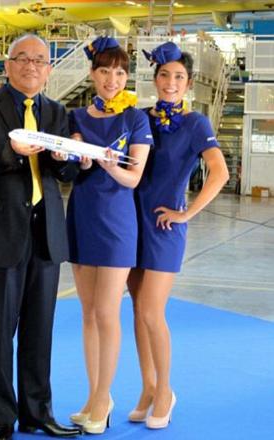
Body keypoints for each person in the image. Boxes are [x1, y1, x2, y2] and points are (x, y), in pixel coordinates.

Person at [0, 34, 81, 440]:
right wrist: (15, 151)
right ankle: (3, 418)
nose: (32, 66)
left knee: (39, 329)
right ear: (9, 65)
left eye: (39, 61)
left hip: (46, 232)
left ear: (48, 70)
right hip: (2, 232)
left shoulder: (57, 111)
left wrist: (65, 161)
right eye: (23, 59)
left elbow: (65, 174)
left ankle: (38, 412)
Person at [127, 41, 229, 429]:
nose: (171, 82)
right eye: (165, 75)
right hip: (132, 223)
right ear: (155, 79)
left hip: (165, 227)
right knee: (137, 311)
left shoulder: (196, 123)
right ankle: (148, 387)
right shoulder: (138, 117)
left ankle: (166, 391)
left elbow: (220, 172)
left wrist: (187, 213)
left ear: (188, 84)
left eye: (179, 77)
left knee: (151, 311)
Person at [66, 36, 152, 435]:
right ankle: (93, 396)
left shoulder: (136, 119)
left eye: (119, 72)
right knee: (87, 313)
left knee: (106, 311)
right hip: (82, 217)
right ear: (92, 73)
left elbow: (133, 177)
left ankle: (104, 397)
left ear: (126, 77)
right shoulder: (75, 118)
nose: (111, 80)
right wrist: (80, 159)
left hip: (118, 221)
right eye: (104, 71)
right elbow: (71, 169)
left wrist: (106, 163)